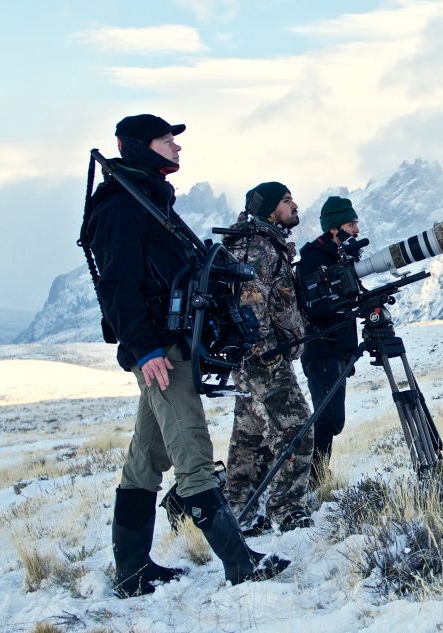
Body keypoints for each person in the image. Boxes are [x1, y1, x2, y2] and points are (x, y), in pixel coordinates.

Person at [85, 114, 289, 596]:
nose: (177, 148)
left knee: (146, 458)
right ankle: (239, 562)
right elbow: (118, 287)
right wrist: (145, 348)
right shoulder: (122, 207)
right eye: (166, 140)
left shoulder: (150, 199)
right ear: (135, 146)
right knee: (193, 454)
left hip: (171, 345)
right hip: (159, 351)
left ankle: (132, 571)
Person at [221, 182, 315, 534]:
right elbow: (249, 303)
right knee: (296, 430)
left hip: (251, 360)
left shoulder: (255, 241)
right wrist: (263, 352)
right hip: (263, 360)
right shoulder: (259, 246)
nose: (294, 205)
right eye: (287, 200)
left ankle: (238, 510)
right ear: (271, 208)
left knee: (249, 437)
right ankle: (287, 509)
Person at [296, 197, 363, 485]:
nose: (357, 230)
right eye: (351, 224)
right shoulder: (312, 261)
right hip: (321, 348)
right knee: (328, 418)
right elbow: (315, 306)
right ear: (334, 230)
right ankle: (313, 477)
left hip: (338, 348)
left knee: (331, 418)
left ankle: (316, 474)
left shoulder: (342, 258)